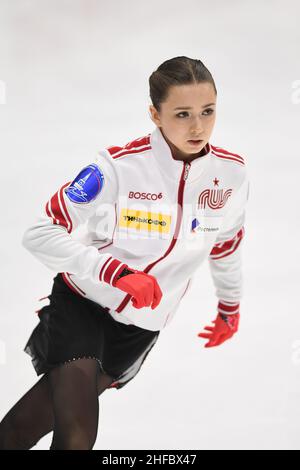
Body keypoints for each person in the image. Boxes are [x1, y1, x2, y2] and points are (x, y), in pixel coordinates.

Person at [0, 56, 249, 450]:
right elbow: (39, 232)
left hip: (139, 326)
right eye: (182, 114)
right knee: (78, 435)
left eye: (208, 111)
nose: (198, 126)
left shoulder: (231, 176)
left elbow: (227, 242)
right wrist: (114, 272)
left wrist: (230, 307)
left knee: (21, 428)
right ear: (155, 113)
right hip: (82, 303)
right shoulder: (118, 167)